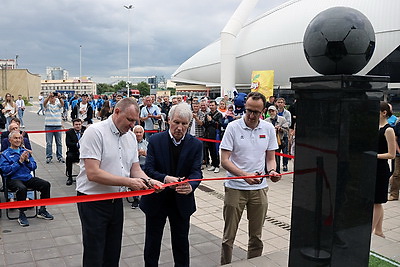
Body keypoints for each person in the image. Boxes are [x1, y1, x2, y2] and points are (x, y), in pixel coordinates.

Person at [76, 97, 163, 267]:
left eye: (135, 121)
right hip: (93, 200)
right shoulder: (95, 132)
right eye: (129, 120)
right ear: (117, 112)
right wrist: (129, 182)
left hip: (115, 201)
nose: (132, 125)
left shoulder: (130, 137)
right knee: (94, 254)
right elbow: (93, 173)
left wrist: (150, 181)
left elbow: (135, 169)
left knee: (113, 252)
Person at [219, 92, 280, 265]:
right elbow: (224, 160)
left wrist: (273, 171)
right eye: (248, 111)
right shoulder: (233, 127)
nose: (252, 116)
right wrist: (244, 176)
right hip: (235, 187)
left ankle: (254, 263)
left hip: (259, 189)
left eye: (256, 112)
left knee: (256, 236)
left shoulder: (268, 129)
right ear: (244, 108)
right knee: (228, 236)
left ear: (264, 111)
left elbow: (270, 158)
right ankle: (226, 264)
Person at [140, 103, 203, 267]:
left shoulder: (196, 144)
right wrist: (165, 178)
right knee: (152, 243)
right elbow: (148, 169)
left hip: (181, 200)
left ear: (189, 124)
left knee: (181, 243)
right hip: (157, 199)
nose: (180, 127)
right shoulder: (155, 140)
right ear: (168, 120)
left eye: (184, 124)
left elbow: (197, 172)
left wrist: (191, 185)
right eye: (176, 122)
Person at [0, 131, 54, 227]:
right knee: (21, 188)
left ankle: (42, 209)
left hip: (27, 177)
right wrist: (19, 162)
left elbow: (34, 166)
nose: (18, 140)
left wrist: (27, 160)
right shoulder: (5, 154)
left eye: (19, 138)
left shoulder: (25, 152)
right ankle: (22, 214)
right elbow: (5, 171)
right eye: (15, 138)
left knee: (46, 184)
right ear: (10, 140)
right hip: (13, 179)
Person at [372, 102, 396, 238]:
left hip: (381, 168)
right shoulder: (376, 128)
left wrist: (374, 156)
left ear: (384, 112)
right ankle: (379, 230)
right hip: (374, 167)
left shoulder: (388, 130)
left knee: (377, 201)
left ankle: (371, 230)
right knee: (376, 201)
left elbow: (391, 154)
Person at [264, 105, 289, 173]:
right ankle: (268, 170)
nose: (271, 113)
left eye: (273, 111)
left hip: (279, 140)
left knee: (277, 155)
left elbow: (287, 130)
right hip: (269, 141)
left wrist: (280, 129)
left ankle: (277, 170)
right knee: (269, 156)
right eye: (270, 111)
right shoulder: (266, 121)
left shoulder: (282, 119)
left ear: (276, 112)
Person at [44, 92, 65, 164]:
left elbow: (62, 104)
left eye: (53, 97)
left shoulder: (58, 105)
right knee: (49, 142)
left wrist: (59, 97)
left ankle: (59, 156)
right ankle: (49, 156)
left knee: (59, 142)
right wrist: (48, 96)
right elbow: (44, 103)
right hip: (49, 125)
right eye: (51, 97)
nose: (52, 98)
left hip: (58, 125)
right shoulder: (47, 105)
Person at [131, 125, 148, 209]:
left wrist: (145, 153)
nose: (138, 134)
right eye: (136, 132)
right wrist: (136, 154)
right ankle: (135, 199)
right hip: (134, 166)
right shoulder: (130, 144)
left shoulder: (147, 144)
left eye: (140, 132)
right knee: (134, 180)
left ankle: (145, 198)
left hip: (144, 165)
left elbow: (152, 156)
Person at [65, 118, 86, 186]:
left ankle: (86, 176)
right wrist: (78, 145)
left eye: (79, 124)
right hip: (73, 151)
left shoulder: (85, 130)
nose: (78, 126)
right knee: (69, 158)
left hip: (84, 152)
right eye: (76, 124)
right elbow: (68, 143)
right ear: (73, 125)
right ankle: (70, 177)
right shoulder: (69, 132)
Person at [204, 100, 222, 173]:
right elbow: (205, 124)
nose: (211, 107)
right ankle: (213, 164)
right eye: (210, 105)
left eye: (212, 105)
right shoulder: (207, 114)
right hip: (208, 134)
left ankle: (217, 165)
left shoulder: (219, 114)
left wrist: (211, 121)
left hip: (215, 135)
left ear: (216, 106)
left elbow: (219, 124)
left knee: (215, 150)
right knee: (210, 150)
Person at [275, 97, 291, 171]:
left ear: (284, 104)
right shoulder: (274, 111)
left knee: (285, 151)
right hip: (276, 136)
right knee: (277, 151)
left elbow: (289, 123)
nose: (280, 104)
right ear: (276, 103)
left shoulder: (287, 113)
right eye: (279, 102)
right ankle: (276, 165)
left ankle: (285, 164)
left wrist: (281, 126)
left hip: (284, 135)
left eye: (282, 102)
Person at [390, 118, 400, 201]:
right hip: (398, 154)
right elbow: (395, 139)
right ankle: (394, 194)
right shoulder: (398, 124)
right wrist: (398, 150)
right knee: (396, 174)